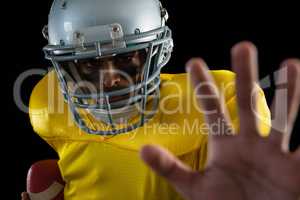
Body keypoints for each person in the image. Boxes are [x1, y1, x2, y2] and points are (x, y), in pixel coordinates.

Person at [21, 0, 300, 199]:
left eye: (125, 57)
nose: (110, 80)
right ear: (66, 68)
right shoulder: (51, 110)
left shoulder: (215, 104)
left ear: (160, 51)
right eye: (90, 64)